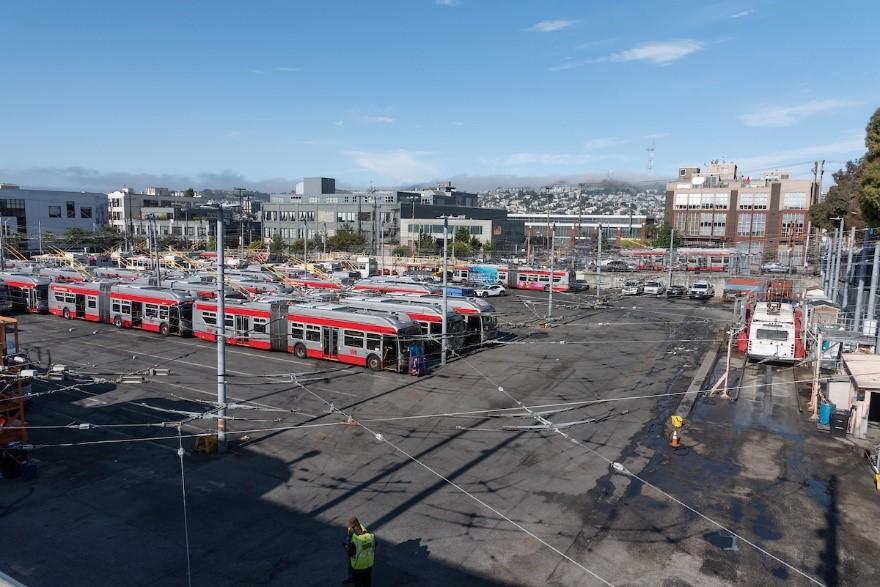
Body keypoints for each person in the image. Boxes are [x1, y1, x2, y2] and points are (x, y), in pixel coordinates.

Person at [345, 517, 375, 587]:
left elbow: (350, 553)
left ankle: (351, 578)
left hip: (358, 566)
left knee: (358, 583)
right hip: (368, 564)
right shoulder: (370, 536)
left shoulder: (355, 541)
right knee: (367, 581)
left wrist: (347, 548)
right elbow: (375, 544)